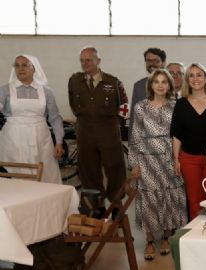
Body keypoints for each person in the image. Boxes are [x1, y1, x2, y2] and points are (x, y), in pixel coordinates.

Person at [129, 69, 187, 261]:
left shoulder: (176, 106)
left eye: (164, 82)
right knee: (149, 199)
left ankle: (167, 236)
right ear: (151, 85)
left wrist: (178, 158)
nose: (161, 85)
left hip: (169, 157)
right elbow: (135, 135)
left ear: (169, 85)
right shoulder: (140, 107)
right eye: (157, 82)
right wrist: (134, 163)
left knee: (169, 196)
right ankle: (149, 240)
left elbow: (179, 134)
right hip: (146, 160)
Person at [69, 46, 128, 210]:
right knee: (88, 170)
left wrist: (117, 125)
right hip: (85, 132)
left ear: (98, 61)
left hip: (109, 132)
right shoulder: (75, 81)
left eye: (88, 60)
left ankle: (116, 203)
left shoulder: (113, 81)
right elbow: (74, 105)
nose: (84, 63)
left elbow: (124, 107)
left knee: (114, 168)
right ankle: (96, 204)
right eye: (82, 60)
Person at [170, 63, 206, 220]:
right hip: (189, 159)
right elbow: (176, 135)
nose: (195, 78)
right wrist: (176, 160)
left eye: (199, 74)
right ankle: (195, 236)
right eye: (191, 75)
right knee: (194, 200)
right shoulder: (181, 104)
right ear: (187, 80)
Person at [0, 54, 63, 183]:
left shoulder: (46, 92)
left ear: (34, 69)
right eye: (17, 66)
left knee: (45, 173)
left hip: (40, 138)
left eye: (25, 65)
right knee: (14, 171)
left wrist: (59, 141)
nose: (20, 69)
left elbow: (55, 118)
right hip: (13, 139)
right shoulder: (5, 90)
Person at [129, 48, 166, 140]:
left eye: (156, 60)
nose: (152, 63)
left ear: (163, 62)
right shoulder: (138, 85)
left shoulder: (172, 84)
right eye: (148, 60)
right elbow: (134, 117)